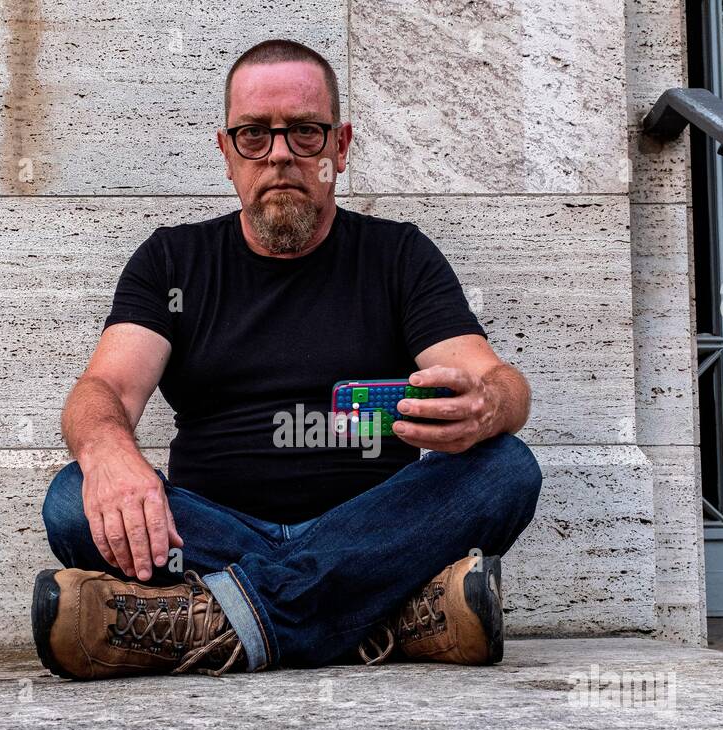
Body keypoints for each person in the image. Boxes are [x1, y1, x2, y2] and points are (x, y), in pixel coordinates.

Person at [34, 38, 542, 680]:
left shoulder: (399, 257)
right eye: (254, 135)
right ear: (226, 152)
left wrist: (490, 404)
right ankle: (386, 617)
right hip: (210, 532)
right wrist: (109, 453)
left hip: (372, 523)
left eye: (305, 133)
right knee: (73, 497)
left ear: (340, 146)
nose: (279, 155)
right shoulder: (172, 261)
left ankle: (205, 623)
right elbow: (103, 388)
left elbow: (496, 379)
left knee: (505, 468)